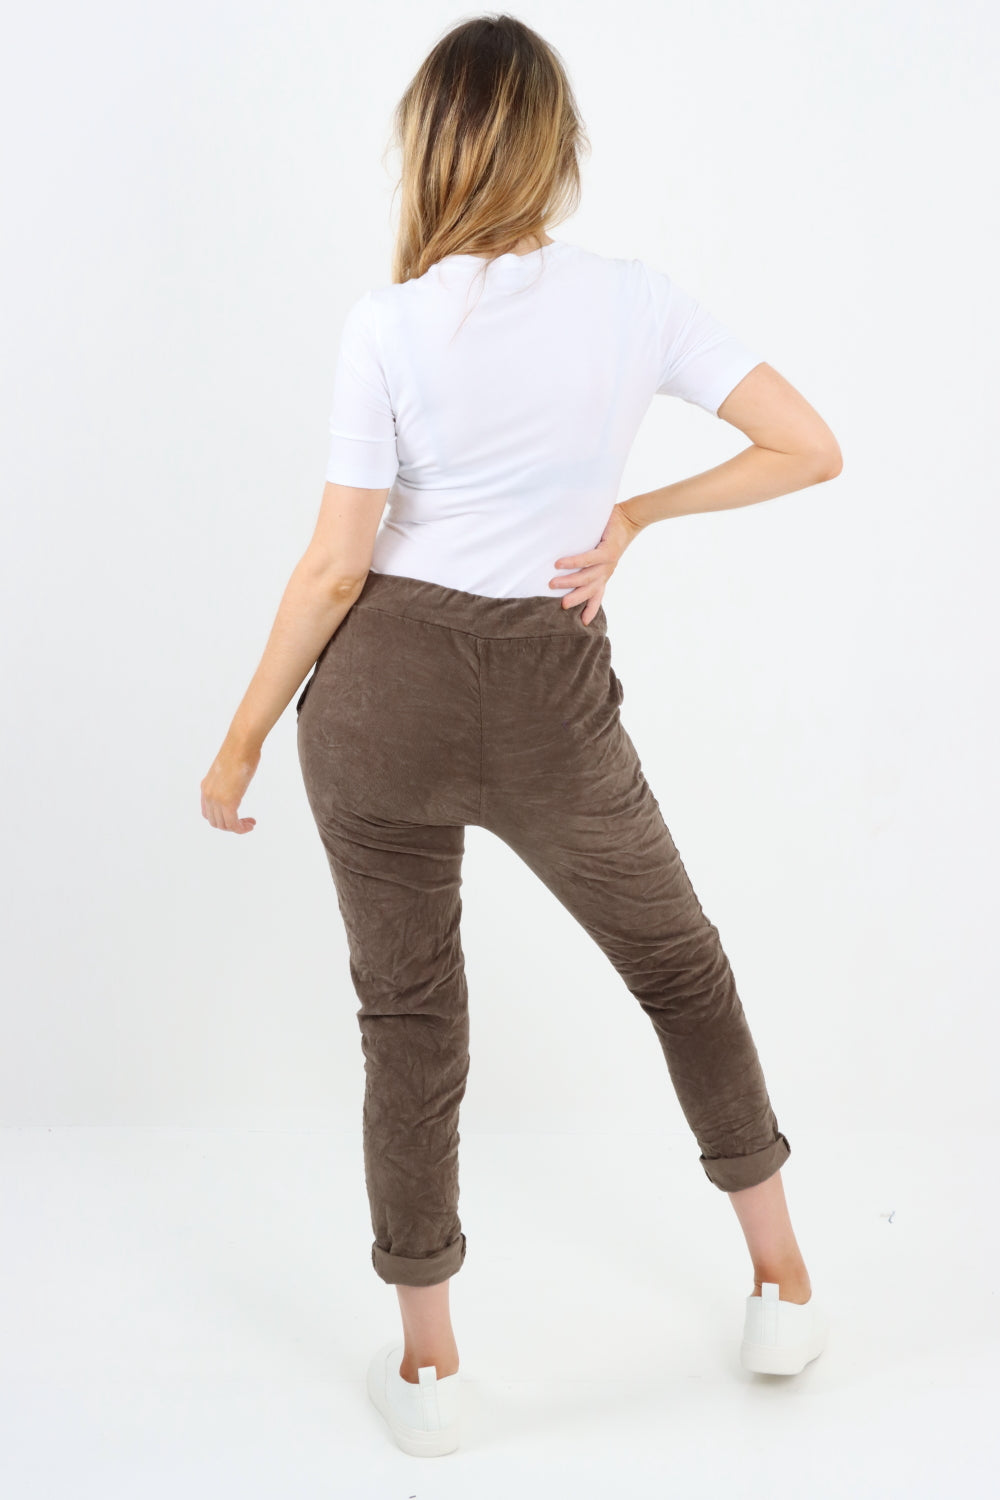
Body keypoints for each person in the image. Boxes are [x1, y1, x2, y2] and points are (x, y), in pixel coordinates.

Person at [201, 13, 840, 1458]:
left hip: (380, 700)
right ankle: (785, 1288)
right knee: (679, 968)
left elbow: (334, 571)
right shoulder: (637, 302)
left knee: (409, 1020)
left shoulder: (389, 324)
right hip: (553, 701)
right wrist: (636, 515)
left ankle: (428, 1373)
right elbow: (811, 446)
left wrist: (240, 739)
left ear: (428, 147)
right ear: (560, 147)